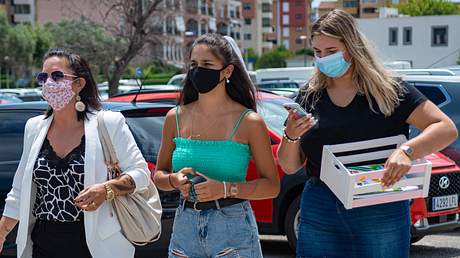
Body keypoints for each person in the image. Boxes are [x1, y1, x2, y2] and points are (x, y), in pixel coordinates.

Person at [277, 9, 458, 258]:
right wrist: (291, 135)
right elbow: (289, 166)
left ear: (351, 48)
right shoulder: (309, 96)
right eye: (317, 52)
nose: (323, 59)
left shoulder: (389, 90)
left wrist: (407, 151)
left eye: (331, 52)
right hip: (321, 203)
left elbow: (445, 128)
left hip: (380, 202)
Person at [0, 48, 150, 258]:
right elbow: (19, 190)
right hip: (43, 242)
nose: (48, 83)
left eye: (57, 76)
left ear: (79, 83)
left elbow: (142, 174)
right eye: (43, 77)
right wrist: (2, 232)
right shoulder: (34, 128)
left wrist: (107, 189)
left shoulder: (108, 123)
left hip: (96, 245)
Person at [153, 34, 280, 258]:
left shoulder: (249, 121)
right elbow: (159, 176)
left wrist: (225, 188)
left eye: (207, 64)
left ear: (227, 71)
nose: (198, 70)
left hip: (233, 228)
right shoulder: (175, 117)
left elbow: (271, 185)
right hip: (185, 227)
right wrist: (174, 180)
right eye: (194, 64)